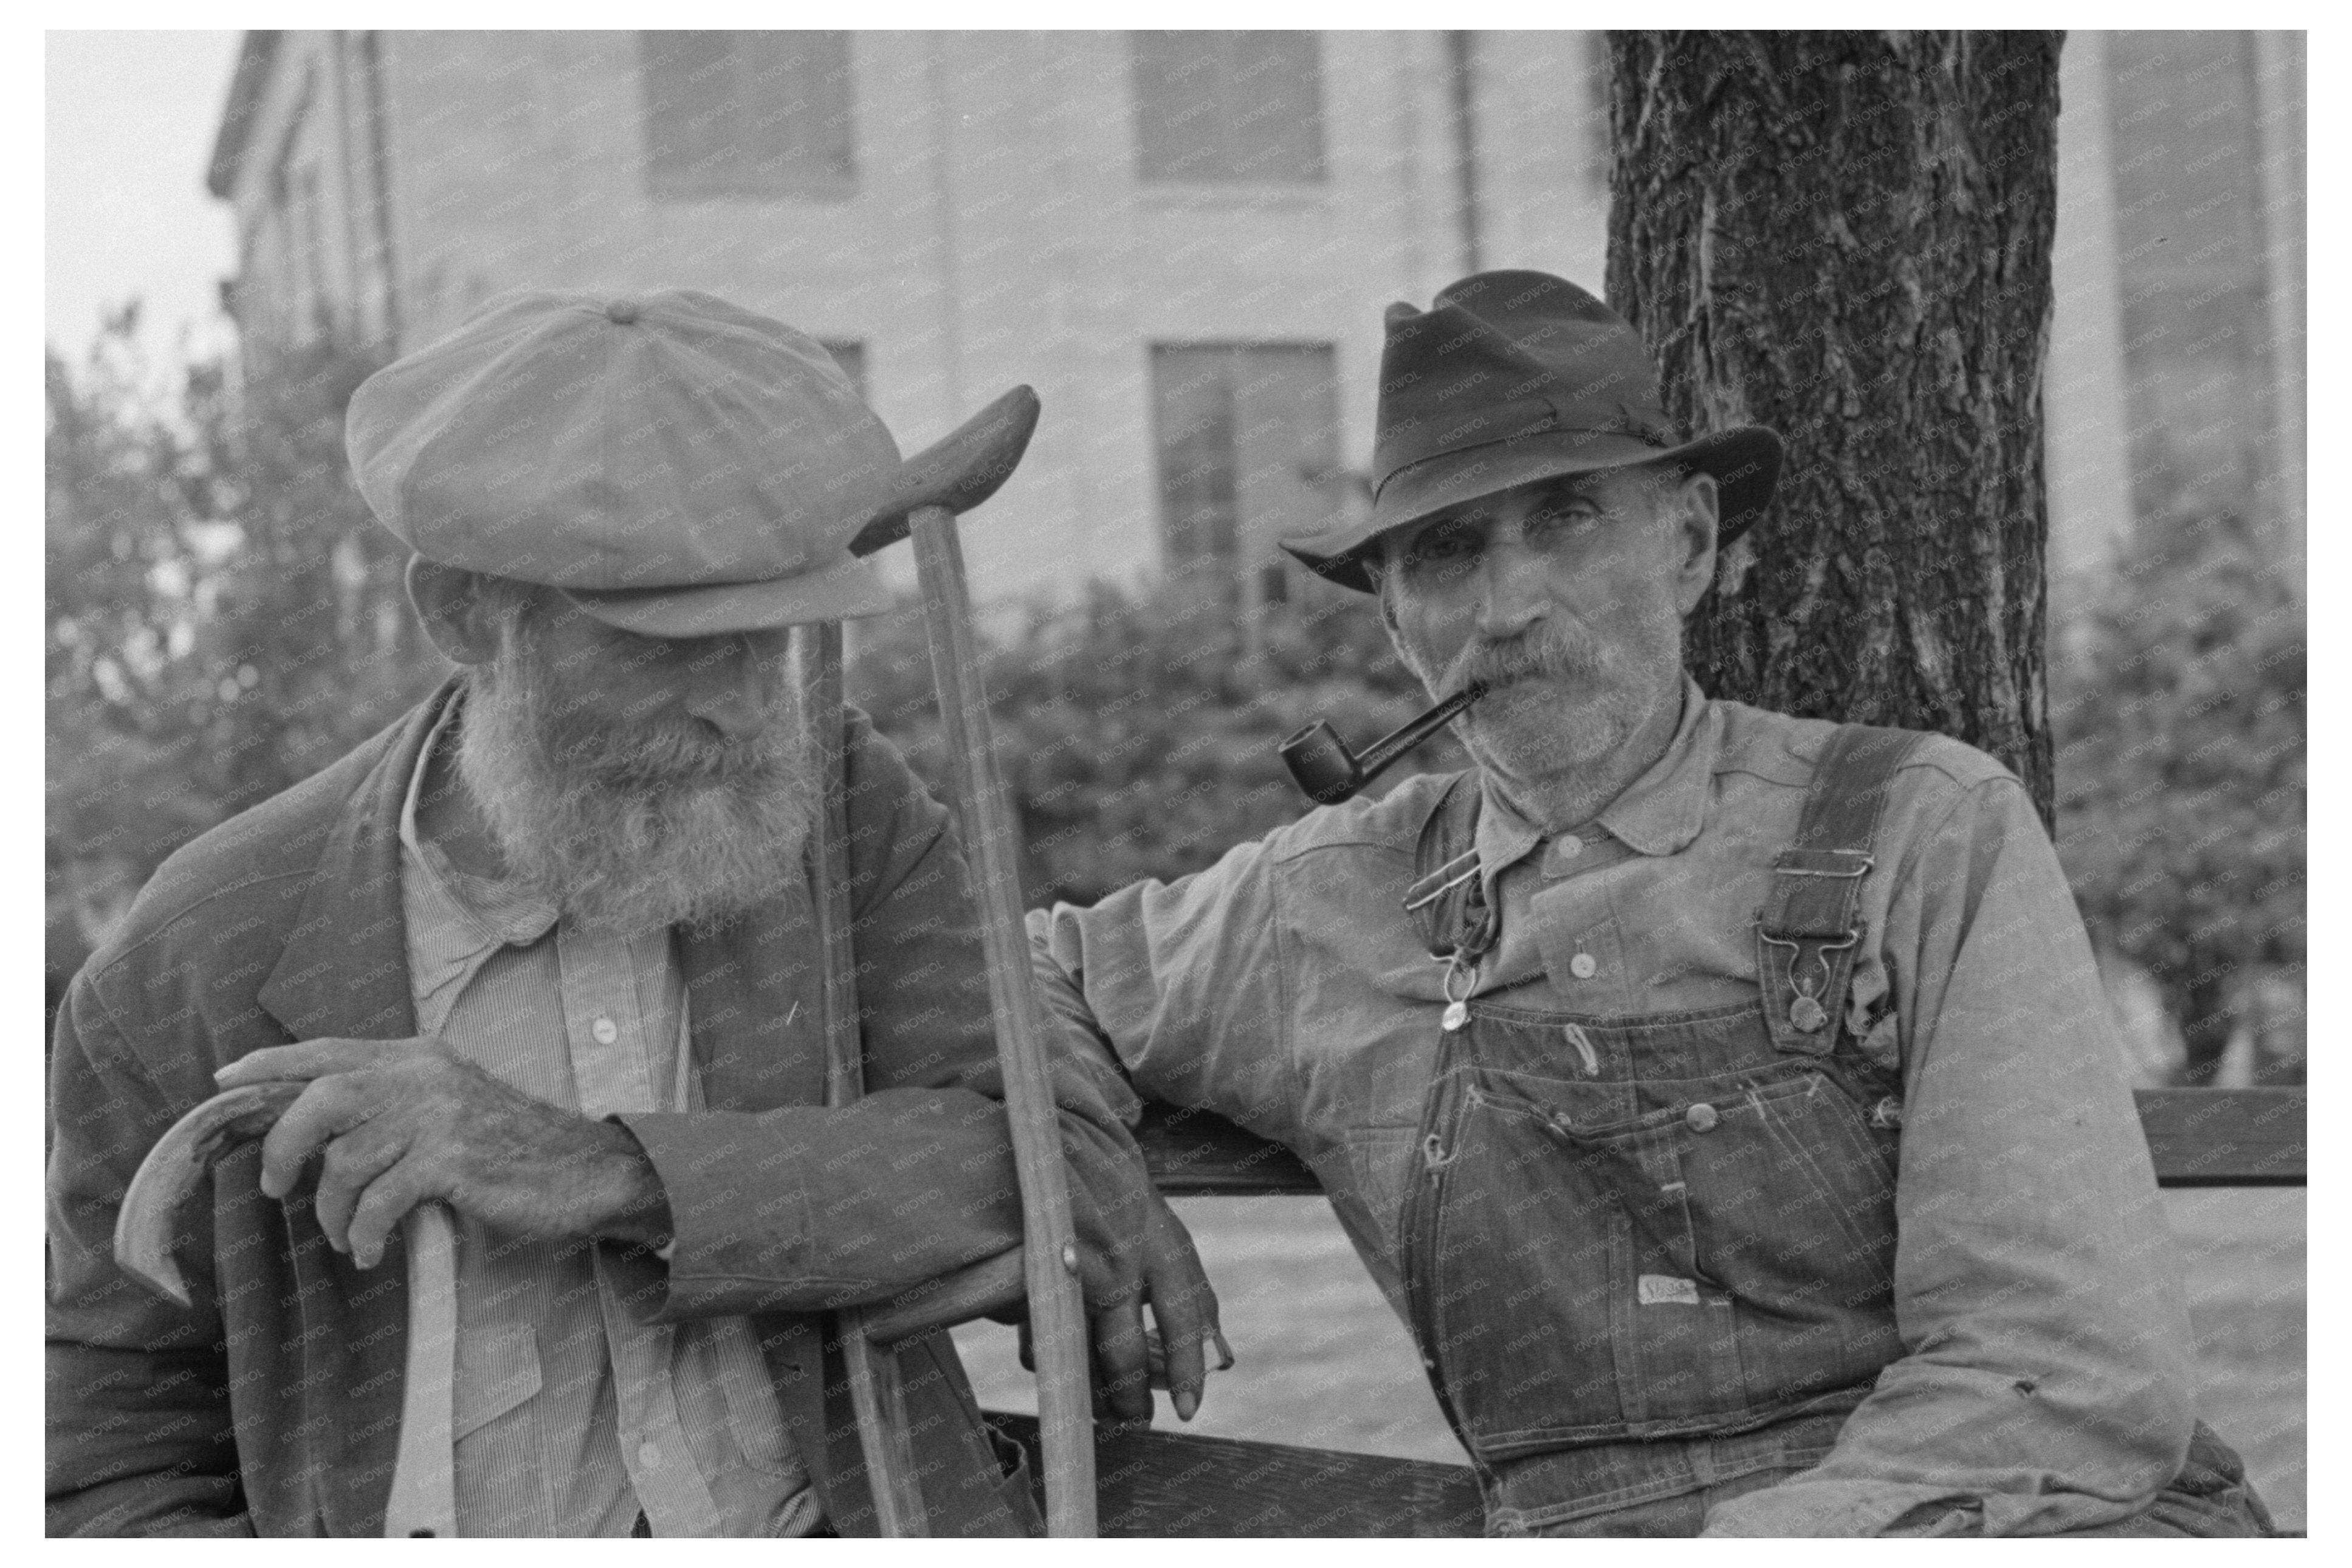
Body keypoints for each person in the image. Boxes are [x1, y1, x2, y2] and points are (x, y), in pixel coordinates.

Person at [1026, 271, 2274, 1537]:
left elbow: (2064, 1373)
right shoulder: (1322, 903)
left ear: (1684, 544)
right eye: (1450, 551)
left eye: (1565, 519)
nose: (1510, 607)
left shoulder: (1923, 827)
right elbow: (1014, 976)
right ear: (1397, 614)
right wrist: (1087, 1162)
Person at [46, 289, 1213, 1538]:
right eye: (670, 647)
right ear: (463, 613)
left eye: (770, 639)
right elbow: (106, 1450)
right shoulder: (199, 948)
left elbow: (1013, 1160)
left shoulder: (836, 795)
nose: (744, 711)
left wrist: (601, 1173)